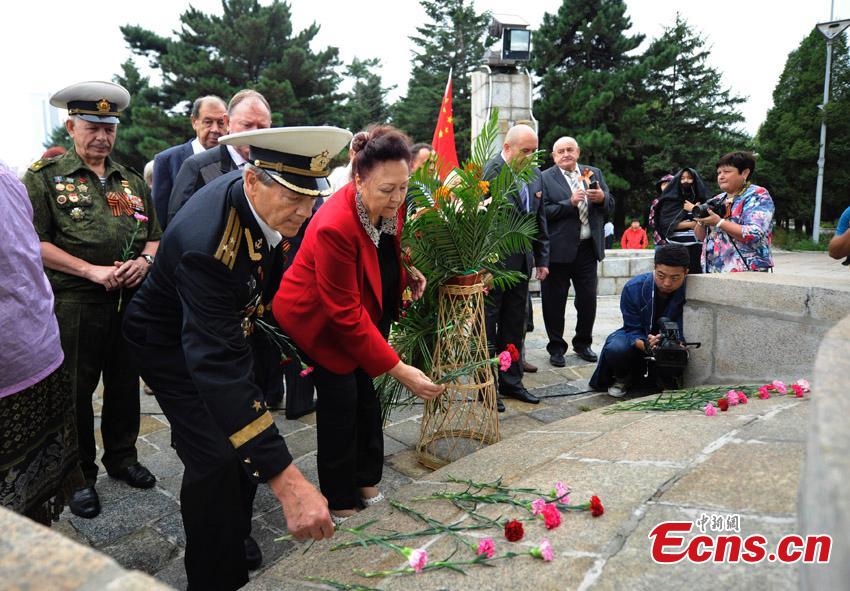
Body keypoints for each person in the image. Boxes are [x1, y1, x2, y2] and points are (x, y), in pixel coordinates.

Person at [123, 126, 350, 590]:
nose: (305, 212)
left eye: (312, 198)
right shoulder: (208, 245)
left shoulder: (270, 205)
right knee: (216, 460)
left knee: (246, 437)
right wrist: (290, 485)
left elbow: (269, 282)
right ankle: (212, 575)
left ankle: (236, 530)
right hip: (168, 347)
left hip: (224, 328)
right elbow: (217, 368)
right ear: (252, 180)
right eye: (293, 198)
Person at [273, 126, 445, 523]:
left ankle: (366, 478)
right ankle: (338, 497)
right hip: (317, 318)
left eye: (404, 187)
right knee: (341, 399)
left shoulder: (390, 201)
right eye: (388, 190)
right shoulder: (335, 224)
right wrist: (400, 369)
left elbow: (384, 250)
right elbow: (344, 315)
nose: (398, 198)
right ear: (358, 179)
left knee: (366, 393)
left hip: (360, 307)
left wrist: (407, 271)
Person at [22, 81, 161, 519]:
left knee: (124, 385)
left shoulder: (131, 180)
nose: (101, 137)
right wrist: (90, 270)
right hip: (75, 303)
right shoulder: (45, 179)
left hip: (129, 301)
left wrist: (144, 261)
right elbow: (34, 242)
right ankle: (78, 476)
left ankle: (122, 458)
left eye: (109, 128)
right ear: (71, 127)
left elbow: (154, 236)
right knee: (76, 393)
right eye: (91, 127)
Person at [0, 160, 84, 526]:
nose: (101, 135)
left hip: (25, 351)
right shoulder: (33, 177)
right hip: (33, 343)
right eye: (91, 126)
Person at [481, 124, 550, 410]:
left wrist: (542, 259)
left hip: (522, 265)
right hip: (494, 267)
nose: (532, 156)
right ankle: (487, 387)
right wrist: (483, 267)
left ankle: (512, 381)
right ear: (507, 148)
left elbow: (538, 219)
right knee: (487, 327)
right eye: (526, 151)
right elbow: (483, 223)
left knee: (514, 326)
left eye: (535, 151)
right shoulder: (492, 172)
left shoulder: (534, 175)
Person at [539, 136, 614, 368]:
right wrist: (568, 203)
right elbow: (542, 213)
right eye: (560, 151)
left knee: (587, 300)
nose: (565, 154)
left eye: (569, 149)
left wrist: (602, 199)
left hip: (587, 249)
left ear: (578, 152)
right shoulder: (544, 178)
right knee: (554, 302)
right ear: (553, 156)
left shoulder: (593, 173)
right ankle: (556, 348)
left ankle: (583, 344)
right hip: (557, 252)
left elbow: (610, 206)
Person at [589, 244, 690, 397]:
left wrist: (678, 343)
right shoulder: (633, 287)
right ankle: (622, 377)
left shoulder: (694, 291)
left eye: (675, 277)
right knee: (616, 347)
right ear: (654, 267)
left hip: (676, 344)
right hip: (640, 336)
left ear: (686, 273)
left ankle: (667, 378)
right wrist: (647, 345)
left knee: (677, 350)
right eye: (661, 276)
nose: (667, 283)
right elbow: (631, 328)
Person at [168, 90, 272, 223]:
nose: (255, 133)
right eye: (247, 125)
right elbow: (178, 225)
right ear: (227, 122)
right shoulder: (198, 167)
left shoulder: (276, 167)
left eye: (262, 127)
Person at [152, 95, 228, 229]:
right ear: (194, 122)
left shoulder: (235, 159)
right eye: (208, 122)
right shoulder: (168, 161)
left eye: (221, 123)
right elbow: (158, 219)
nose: (215, 129)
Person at [693, 152, 774, 272]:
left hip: (745, 270)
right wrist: (701, 221)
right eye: (719, 173)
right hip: (714, 269)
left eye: (727, 172)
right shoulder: (717, 199)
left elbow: (754, 233)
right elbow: (701, 237)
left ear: (745, 173)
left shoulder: (758, 195)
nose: (721, 176)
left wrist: (719, 222)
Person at [652, 168, 708, 273]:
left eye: (689, 178)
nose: (686, 181)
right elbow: (665, 224)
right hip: (674, 247)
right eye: (682, 178)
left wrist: (693, 209)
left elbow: (708, 222)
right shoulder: (668, 202)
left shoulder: (702, 201)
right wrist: (691, 224)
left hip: (697, 248)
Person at [648, 173, 674, 244]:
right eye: (664, 184)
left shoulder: (682, 201)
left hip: (679, 240)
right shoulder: (656, 202)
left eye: (669, 183)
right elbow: (651, 221)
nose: (666, 186)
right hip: (660, 240)